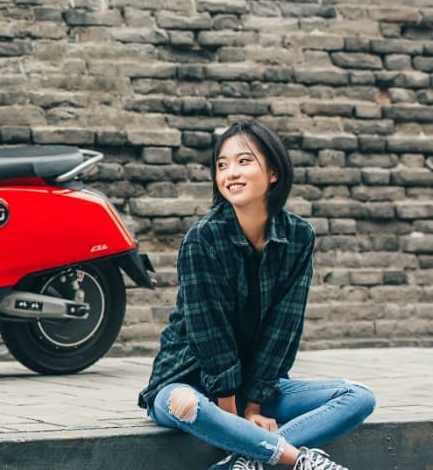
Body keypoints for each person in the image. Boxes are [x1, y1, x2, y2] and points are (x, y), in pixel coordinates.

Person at [138, 121, 376, 470]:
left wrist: (253, 407)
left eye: (244, 161)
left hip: (256, 387)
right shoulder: (202, 239)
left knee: (358, 397)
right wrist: (232, 412)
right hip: (187, 379)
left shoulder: (298, 236)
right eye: (222, 165)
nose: (230, 173)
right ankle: (300, 461)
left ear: (274, 172)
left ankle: (242, 461)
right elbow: (209, 333)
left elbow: (284, 328)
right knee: (186, 405)